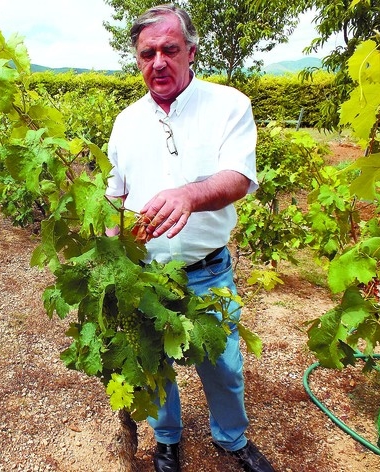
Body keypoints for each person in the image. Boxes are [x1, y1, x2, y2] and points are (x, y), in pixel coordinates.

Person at [105, 5, 275, 472]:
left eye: (169, 50)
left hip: (208, 272)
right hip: (145, 276)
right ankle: (166, 439)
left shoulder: (228, 105)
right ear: (137, 60)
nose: (157, 62)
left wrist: (188, 195)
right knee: (154, 362)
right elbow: (114, 199)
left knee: (223, 365)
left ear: (191, 52)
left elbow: (239, 177)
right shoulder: (125, 122)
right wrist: (110, 258)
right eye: (147, 53)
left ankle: (231, 438)